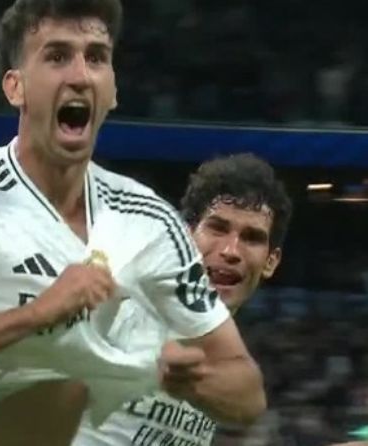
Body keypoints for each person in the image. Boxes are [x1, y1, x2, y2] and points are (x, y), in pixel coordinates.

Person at [0, 1, 265, 445]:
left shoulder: (150, 222)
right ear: (15, 87)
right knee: (64, 386)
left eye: (96, 57)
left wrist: (187, 379)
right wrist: (34, 316)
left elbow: (247, 393)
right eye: (57, 56)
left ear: (113, 89)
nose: (80, 76)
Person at [74, 153, 293, 446]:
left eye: (251, 237)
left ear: (270, 262)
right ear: (185, 236)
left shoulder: (226, 354)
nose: (230, 250)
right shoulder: (123, 305)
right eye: (218, 228)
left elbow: (250, 405)